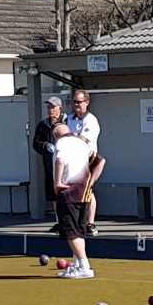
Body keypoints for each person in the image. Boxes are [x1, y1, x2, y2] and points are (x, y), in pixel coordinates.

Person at [51, 123, 105, 278]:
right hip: (84, 194)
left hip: (68, 193)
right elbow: (100, 161)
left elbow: (59, 161)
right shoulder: (81, 143)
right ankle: (77, 264)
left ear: (56, 136)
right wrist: (91, 182)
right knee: (79, 230)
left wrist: (58, 182)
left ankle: (84, 266)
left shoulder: (61, 143)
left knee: (70, 231)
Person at [66, 90, 102, 235]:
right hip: (73, 160)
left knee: (88, 190)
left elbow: (84, 139)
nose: (76, 105)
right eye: (74, 102)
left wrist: (71, 137)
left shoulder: (91, 120)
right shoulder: (69, 119)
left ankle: (90, 223)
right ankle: (77, 222)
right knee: (74, 191)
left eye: (79, 102)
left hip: (88, 159)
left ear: (87, 102)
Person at [32, 95, 65, 230]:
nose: (50, 110)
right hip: (50, 166)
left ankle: (70, 221)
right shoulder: (43, 125)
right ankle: (59, 221)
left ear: (59, 108)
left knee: (67, 193)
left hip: (66, 165)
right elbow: (36, 143)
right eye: (48, 107)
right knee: (54, 194)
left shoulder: (67, 122)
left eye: (53, 107)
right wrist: (45, 145)